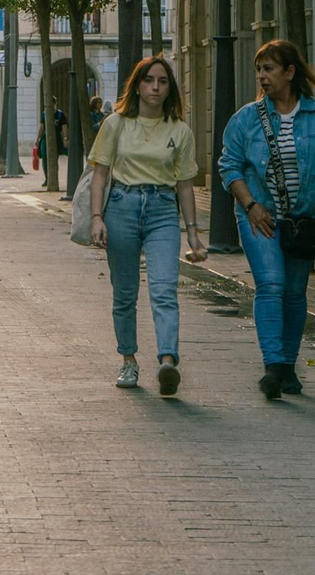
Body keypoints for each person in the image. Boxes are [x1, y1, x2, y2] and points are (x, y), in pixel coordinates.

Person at [219, 39, 315, 401]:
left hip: (303, 218)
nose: (261, 76)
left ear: (289, 72)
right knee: (271, 284)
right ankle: (273, 366)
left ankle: (288, 367)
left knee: (294, 293)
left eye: (269, 69)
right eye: (258, 69)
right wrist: (250, 205)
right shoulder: (246, 119)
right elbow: (228, 166)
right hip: (258, 216)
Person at [86, 55, 205, 397]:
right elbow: (100, 173)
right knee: (125, 293)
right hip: (121, 207)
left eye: (162, 81)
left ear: (170, 88)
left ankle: (168, 361)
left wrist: (193, 232)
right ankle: (128, 359)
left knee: (164, 289)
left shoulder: (180, 131)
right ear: (137, 85)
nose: (155, 87)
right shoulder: (116, 124)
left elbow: (184, 183)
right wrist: (97, 218)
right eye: (149, 80)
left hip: (162, 210)